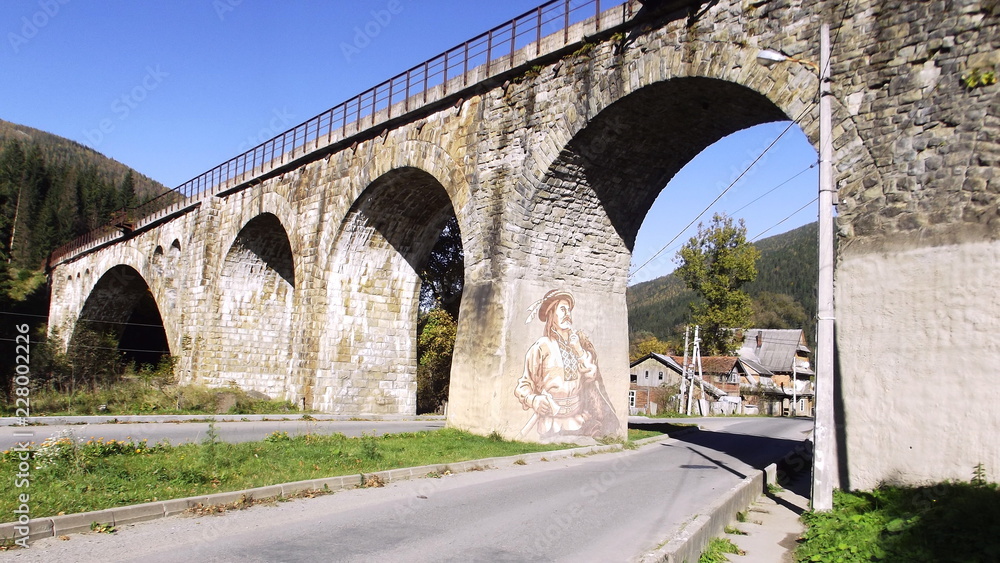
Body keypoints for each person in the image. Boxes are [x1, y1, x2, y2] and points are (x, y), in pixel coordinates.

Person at [514, 289, 619, 441]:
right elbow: (523, 386)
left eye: (569, 309)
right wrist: (534, 400)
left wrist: (578, 350)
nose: (567, 313)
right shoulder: (541, 346)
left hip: (578, 421)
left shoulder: (578, 344)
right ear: (551, 314)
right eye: (562, 309)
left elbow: (591, 374)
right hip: (551, 424)